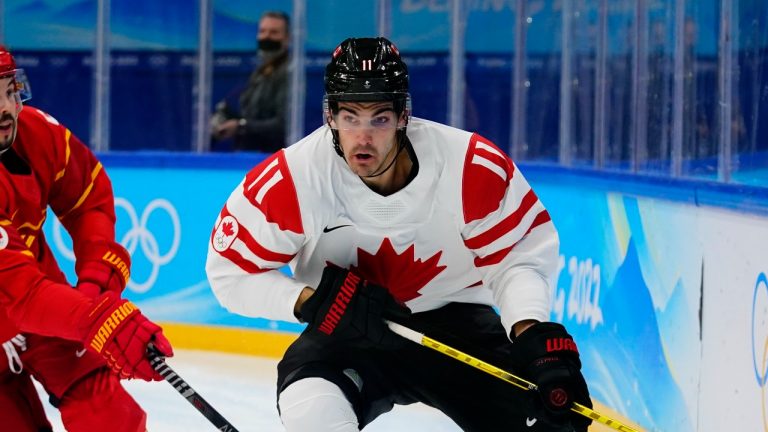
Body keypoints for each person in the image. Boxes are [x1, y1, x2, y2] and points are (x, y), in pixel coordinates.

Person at [206, 37, 592, 431]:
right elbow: (229, 274)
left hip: (457, 330)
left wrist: (530, 333)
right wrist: (311, 302)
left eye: (379, 118)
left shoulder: (469, 167)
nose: (363, 137)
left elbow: (516, 260)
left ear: (403, 116)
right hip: (349, 329)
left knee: (552, 420)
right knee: (310, 408)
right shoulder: (294, 179)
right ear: (330, 116)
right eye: (349, 116)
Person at [0, 46, 173, 432]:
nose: (5, 109)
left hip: (40, 304)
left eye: (9, 91)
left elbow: (88, 200)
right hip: (21, 298)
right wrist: (97, 319)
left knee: (110, 416)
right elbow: (19, 295)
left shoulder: (36, 132)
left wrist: (95, 285)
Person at [210, 10, 290, 152]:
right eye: (263, 31)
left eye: (274, 32)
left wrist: (241, 126)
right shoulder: (261, 71)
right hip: (248, 154)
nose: (267, 37)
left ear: (287, 38)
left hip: (273, 158)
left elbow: (283, 123)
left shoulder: (290, 73)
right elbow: (251, 112)